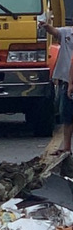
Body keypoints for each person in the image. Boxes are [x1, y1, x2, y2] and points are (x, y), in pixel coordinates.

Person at [44, 22, 73, 152]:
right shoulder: (67, 33)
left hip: (69, 81)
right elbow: (54, 31)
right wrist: (46, 26)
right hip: (67, 80)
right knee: (67, 116)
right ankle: (67, 147)